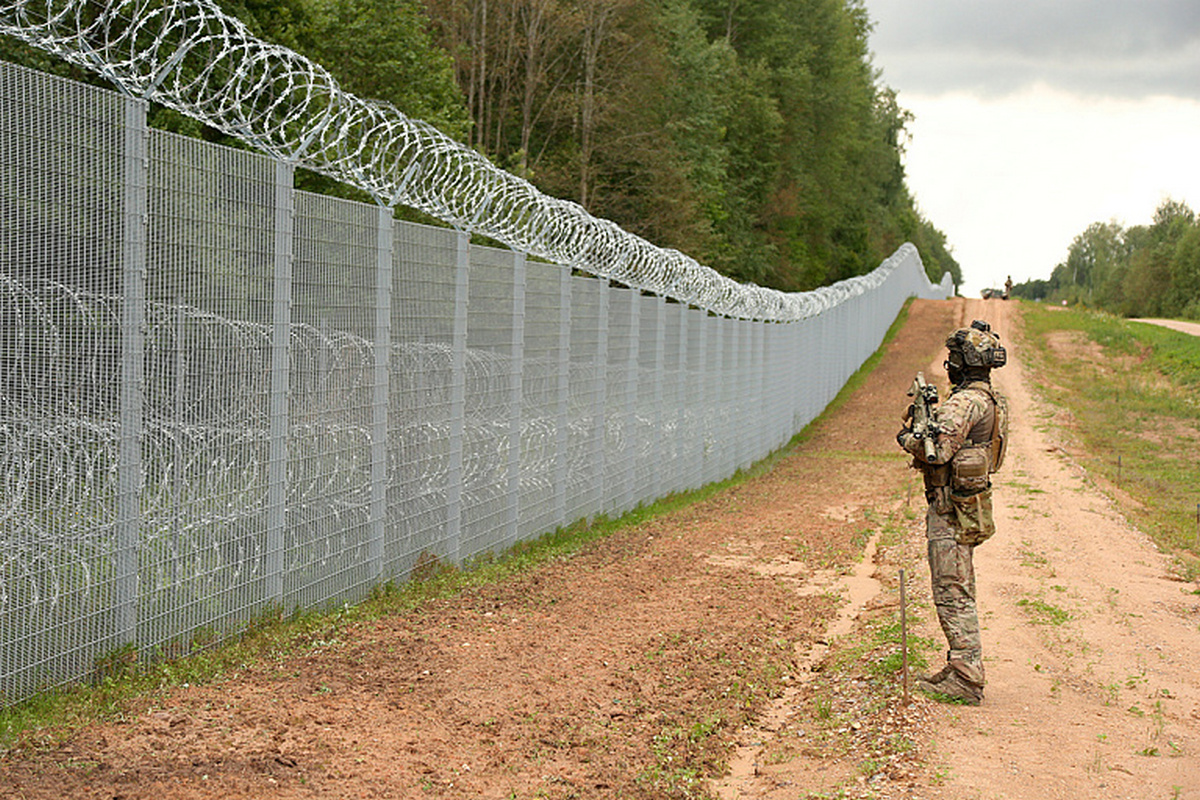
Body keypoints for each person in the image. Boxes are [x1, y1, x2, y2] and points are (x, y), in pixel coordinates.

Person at [896, 320, 1009, 705]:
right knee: (959, 587)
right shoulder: (989, 398)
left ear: (962, 362)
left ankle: (966, 678)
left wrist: (907, 436)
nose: (950, 363)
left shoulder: (965, 402)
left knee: (951, 591)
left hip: (950, 508)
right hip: (966, 505)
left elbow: (937, 450)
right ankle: (962, 663)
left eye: (954, 357)